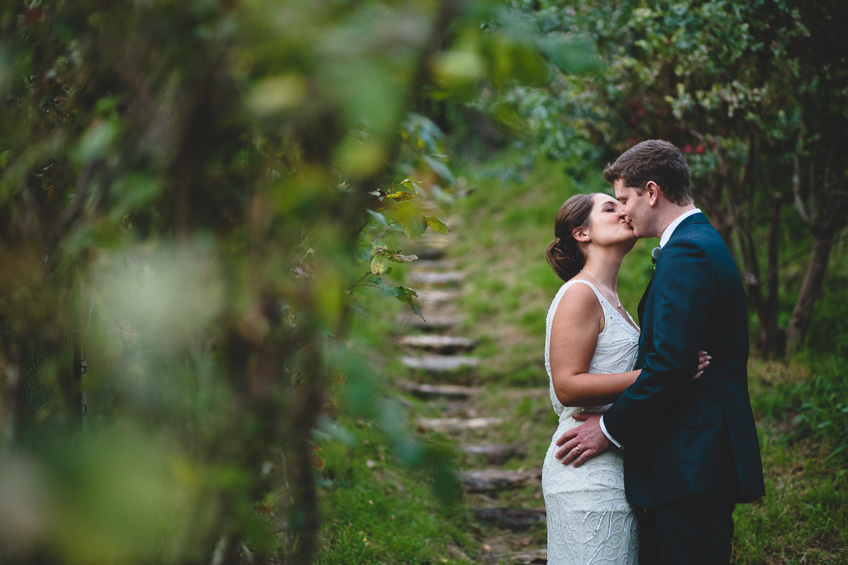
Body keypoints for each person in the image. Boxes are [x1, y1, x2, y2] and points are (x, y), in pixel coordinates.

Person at [555, 140, 765, 565]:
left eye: (624, 200)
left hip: (691, 464)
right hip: (684, 465)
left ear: (652, 192)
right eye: (612, 205)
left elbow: (669, 365)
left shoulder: (685, 251)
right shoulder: (696, 242)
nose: (624, 211)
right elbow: (669, 364)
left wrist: (608, 428)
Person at [541, 192, 709, 564]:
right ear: (581, 233)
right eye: (610, 207)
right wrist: (663, 373)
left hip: (618, 469)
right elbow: (567, 386)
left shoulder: (613, 299)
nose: (624, 212)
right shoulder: (580, 294)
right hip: (583, 472)